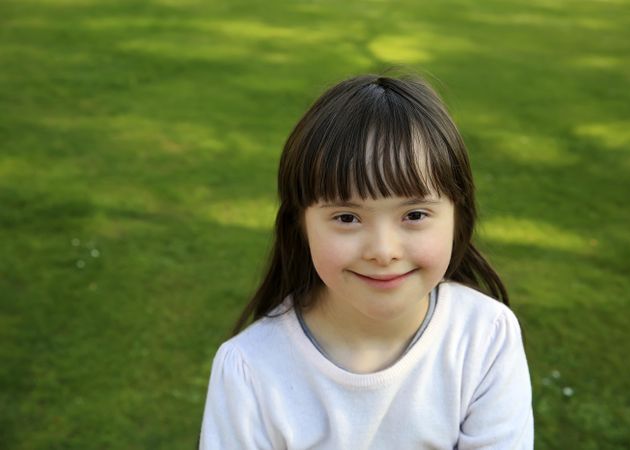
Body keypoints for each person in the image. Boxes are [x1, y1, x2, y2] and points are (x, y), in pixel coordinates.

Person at [199, 73, 534, 449]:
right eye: (347, 218)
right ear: (301, 226)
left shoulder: (485, 337)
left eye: (415, 214)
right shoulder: (249, 370)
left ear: (459, 217)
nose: (383, 250)